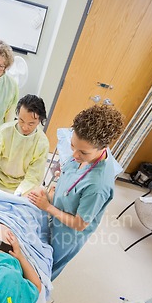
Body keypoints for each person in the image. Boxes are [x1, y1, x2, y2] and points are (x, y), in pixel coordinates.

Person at [28, 104, 125, 281]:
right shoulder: (84, 150)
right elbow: (71, 174)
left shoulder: (98, 185)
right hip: (56, 210)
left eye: (83, 152)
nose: (74, 155)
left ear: (102, 148)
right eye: (73, 146)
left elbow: (80, 224)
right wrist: (55, 187)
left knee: (45, 268)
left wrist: (48, 207)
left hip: (68, 234)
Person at [0, 94, 49, 195]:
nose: (25, 127)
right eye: (21, 120)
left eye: (31, 124)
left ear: (39, 121)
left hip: (22, 187)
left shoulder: (42, 143)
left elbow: (33, 177)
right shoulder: (5, 131)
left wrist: (19, 193)